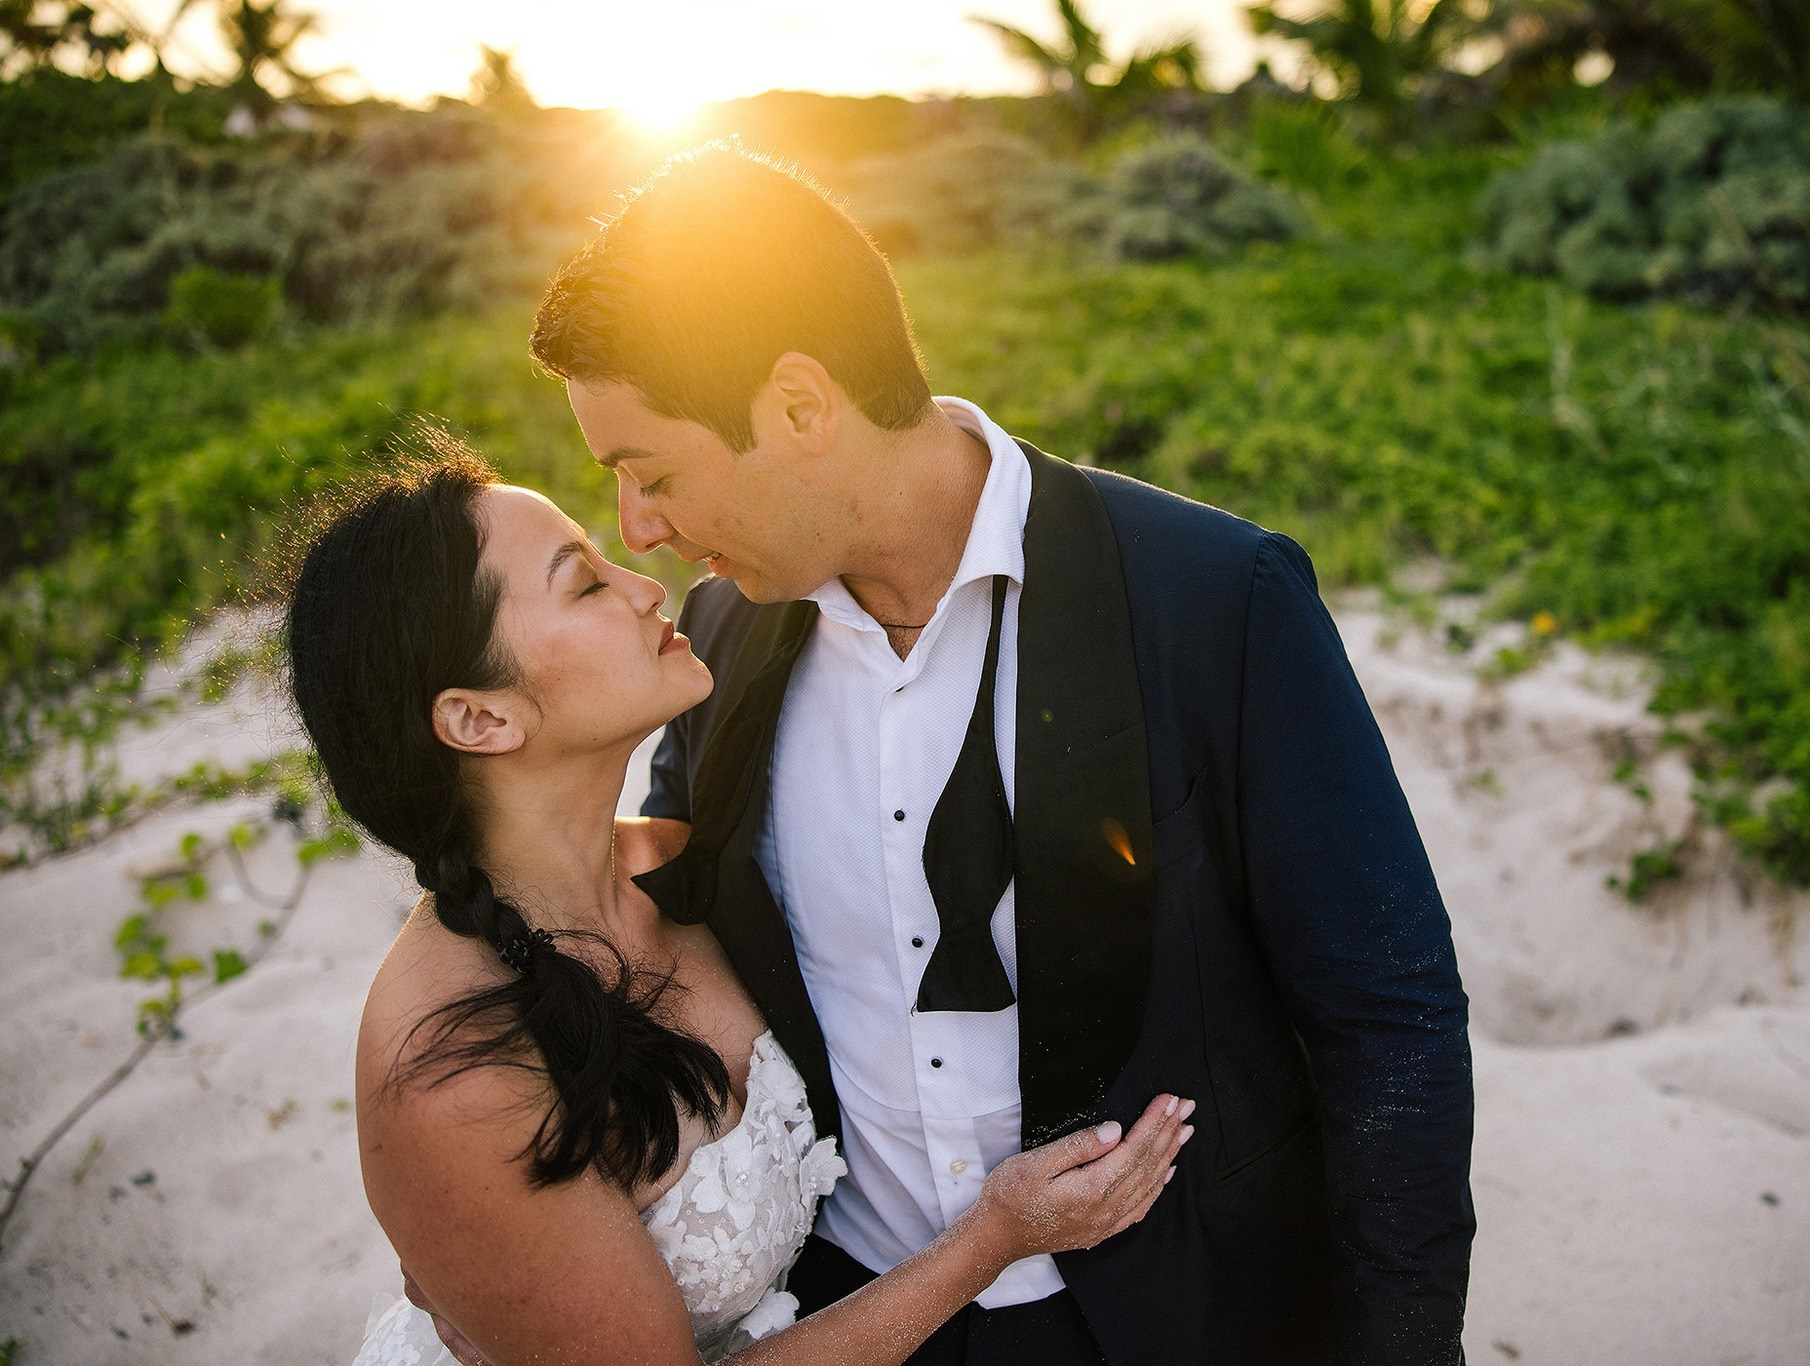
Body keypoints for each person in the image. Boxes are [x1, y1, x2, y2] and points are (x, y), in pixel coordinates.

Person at [480, 139, 1477, 1363]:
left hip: (1174, 1317)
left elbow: (1389, 1011)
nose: (639, 527)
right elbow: (667, 934)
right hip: (856, 1314)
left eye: (652, 472)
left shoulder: (1213, 597)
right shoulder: (720, 637)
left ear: (799, 405)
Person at [283, 445, 1189, 1365]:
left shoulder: (686, 867)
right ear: (480, 719)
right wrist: (994, 1236)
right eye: (586, 586)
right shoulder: (449, 1075)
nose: (643, 586)